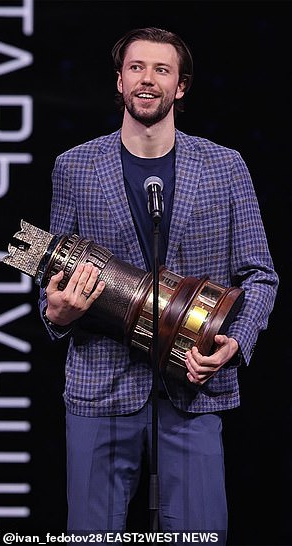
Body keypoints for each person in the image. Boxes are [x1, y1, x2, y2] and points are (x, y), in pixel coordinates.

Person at [38, 27, 278, 541]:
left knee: (201, 534)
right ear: (119, 81)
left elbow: (260, 275)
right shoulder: (74, 167)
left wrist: (235, 342)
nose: (148, 79)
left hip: (192, 389)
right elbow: (49, 274)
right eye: (137, 68)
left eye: (162, 70)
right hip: (99, 391)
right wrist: (54, 313)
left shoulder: (225, 166)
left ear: (181, 86)